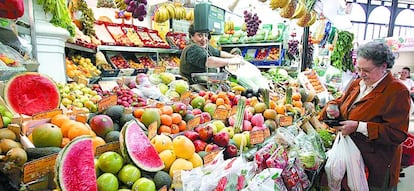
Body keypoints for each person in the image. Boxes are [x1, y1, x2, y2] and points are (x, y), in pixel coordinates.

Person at [320, 41, 411, 190]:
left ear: (383, 67)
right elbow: (342, 101)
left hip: (375, 165)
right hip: (350, 158)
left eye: (367, 70)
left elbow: (397, 134)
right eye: (359, 69)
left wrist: (358, 126)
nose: (362, 74)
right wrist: (333, 107)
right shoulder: (358, 84)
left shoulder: (397, 91)